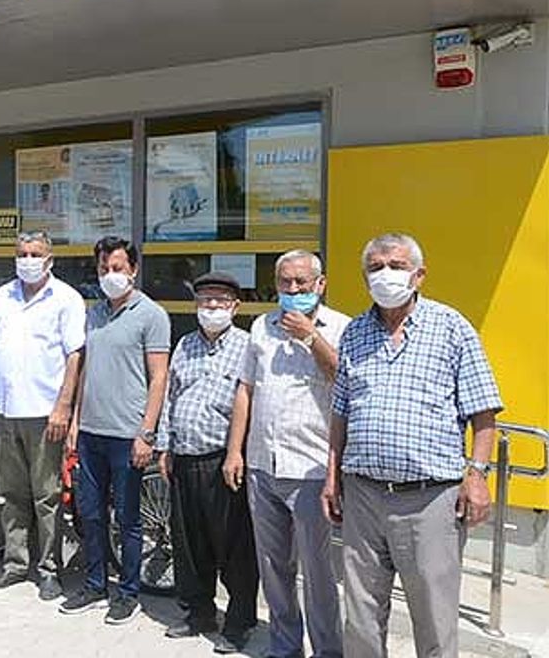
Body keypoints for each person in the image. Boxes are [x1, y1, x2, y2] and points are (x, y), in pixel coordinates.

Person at [325, 233, 502, 658]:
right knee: (361, 615)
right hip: (363, 495)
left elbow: (483, 412)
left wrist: (477, 476)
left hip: (429, 500)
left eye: (397, 266)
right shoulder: (354, 333)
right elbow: (340, 412)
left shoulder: (452, 327)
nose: (385, 274)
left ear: (419, 275)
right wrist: (332, 477)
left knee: (434, 616)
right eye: (375, 267)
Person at [223, 250, 349, 658]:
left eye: (301, 282)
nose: (293, 290)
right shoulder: (261, 326)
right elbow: (246, 389)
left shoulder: (342, 327)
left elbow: (345, 381)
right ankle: (285, 646)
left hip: (311, 468)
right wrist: (235, 450)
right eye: (285, 283)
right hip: (263, 464)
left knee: (318, 572)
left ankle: (328, 650)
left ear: (320, 284)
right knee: (274, 568)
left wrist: (310, 337)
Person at [58, 236, 169, 624]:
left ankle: (128, 592)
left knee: (127, 519)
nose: (110, 274)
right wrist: (75, 421)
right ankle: (94, 584)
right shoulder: (95, 313)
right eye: (104, 268)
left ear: (133, 270)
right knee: (90, 513)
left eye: (118, 268)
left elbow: (159, 378)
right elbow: (86, 370)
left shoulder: (151, 314)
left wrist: (147, 432)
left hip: (128, 435)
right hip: (91, 432)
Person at [0, 230, 85, 601]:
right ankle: (15, 563)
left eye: (36, 253)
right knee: (12, 493)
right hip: (4, 411)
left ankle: (49, 569)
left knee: (47, 496)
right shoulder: (2, 296)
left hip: (44, 413)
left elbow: (75, 355)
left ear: (50, 259)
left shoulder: (66, 298)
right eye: (22, 253)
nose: (28, 260)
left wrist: (64, 407)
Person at [159, 271, 259, 653]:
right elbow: (170, 396)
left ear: (235, 306)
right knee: (189, 545)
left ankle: (239, 622)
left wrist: (237, 454)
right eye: (205, 301)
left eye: (220, 300)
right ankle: (198, 614)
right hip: (184, 457)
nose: (212, 307)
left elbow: (251, 402)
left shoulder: (248, 346)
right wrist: (165, 446)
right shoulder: (185, 344)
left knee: (233, 546)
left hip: (224, 461)